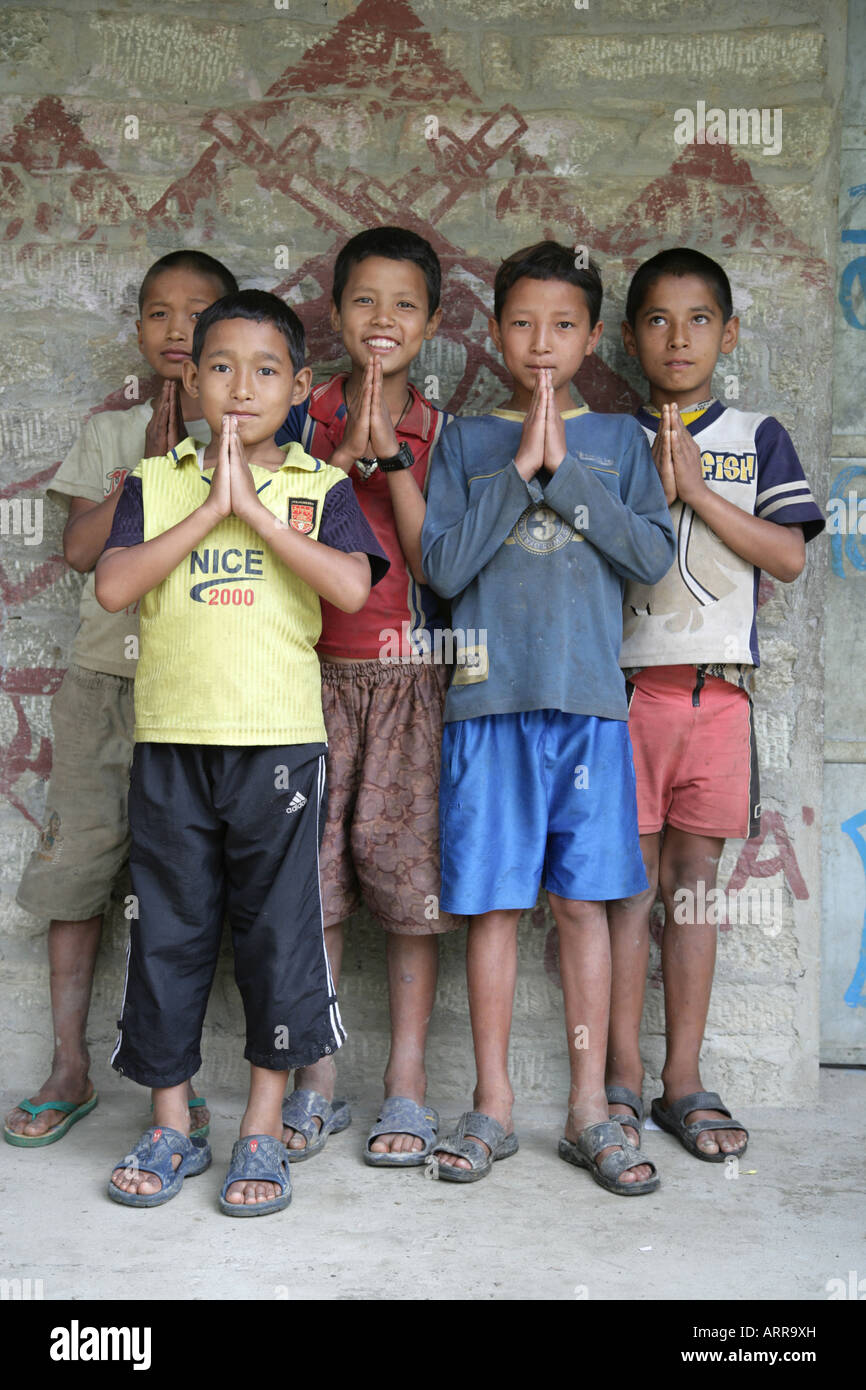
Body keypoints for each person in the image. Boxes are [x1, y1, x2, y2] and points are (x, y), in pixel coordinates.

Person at [94, 290, 388, 1214]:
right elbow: (112, 587)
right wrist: (211, 505)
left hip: (278, 751)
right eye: (220, 366)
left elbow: (349, 586)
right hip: (173, 746)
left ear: (300, 386)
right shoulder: (159, 478)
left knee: (277, 936)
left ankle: (263, 1127)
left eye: (266, 371)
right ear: (189, 375)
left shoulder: (320, 488)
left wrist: (256, 513)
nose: (241, 387)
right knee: (169, 931)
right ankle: (173, 1125)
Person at [420, 240, 676, 1193]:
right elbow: (443, 571)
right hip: (487, 709)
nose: (541, 341)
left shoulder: (618, 442)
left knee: (583, 906)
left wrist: (563, 471)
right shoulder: (463, 442)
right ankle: (491, 1103)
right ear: (493, 332)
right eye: (522, 322)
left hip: (589, 712)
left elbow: (648, 560)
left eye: (563, 325)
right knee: (491, 904)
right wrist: (519, 467)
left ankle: (587, 1107)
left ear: (592, 336)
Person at [5, 250, 237, 1149]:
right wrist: (144, 470)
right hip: (105, 687)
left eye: (199, 314)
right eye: (159, 314)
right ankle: (69, 1066)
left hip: (199, 692)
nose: (178, 331)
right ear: (139, 332)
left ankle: (168, 1076)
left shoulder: (247, 432)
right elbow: (78, 554)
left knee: (179, 890)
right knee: (78, 878)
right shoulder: (114, 435)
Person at [606, 247, 825, 1162]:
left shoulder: (755, 434)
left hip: (717, 700)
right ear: (631, 339)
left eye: (699, 320)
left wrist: (694, 490)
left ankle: (681, 1081)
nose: (679, 337)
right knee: (623, 892)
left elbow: (787, 555)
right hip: (621, 701)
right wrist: (649, 495)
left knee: (692, 896)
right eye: (658, 320)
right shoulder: (609, 441)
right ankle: (614, 1082)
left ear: (727, 333)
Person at [277, 227, 460, 1167]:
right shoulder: (297, 419)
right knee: (314, 886)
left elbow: (441, 565)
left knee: (407, 885)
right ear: (336, 314)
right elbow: (285, 541)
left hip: (408, 681)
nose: (381, 320)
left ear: (431, 322)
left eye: (403, 305)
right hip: (303, 676)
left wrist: (391, 460)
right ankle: (317, 1080)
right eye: (362, 302)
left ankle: (407, 1084)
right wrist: (345, 453)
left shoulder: (445, 432)